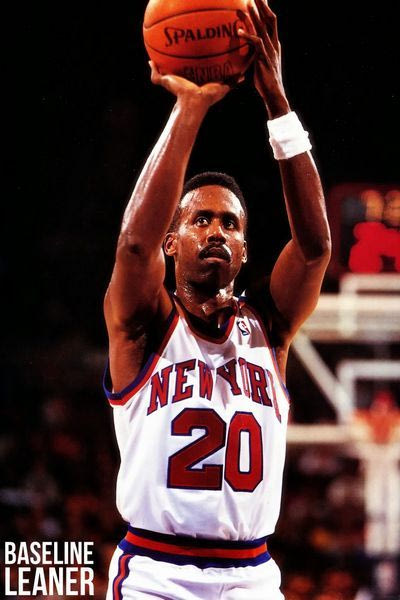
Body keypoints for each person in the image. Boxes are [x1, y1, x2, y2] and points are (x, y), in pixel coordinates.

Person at [103, 1, 331, 598]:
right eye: (200, 220)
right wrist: (190, 107)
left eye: (230, 224)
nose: (215, 232)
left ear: (246, 250)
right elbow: (133, 246)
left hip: (252, 573)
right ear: (172, 241)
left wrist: (278, 104)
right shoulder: (145, 324)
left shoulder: (268, 327)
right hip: (156, 572)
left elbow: (314, 249)